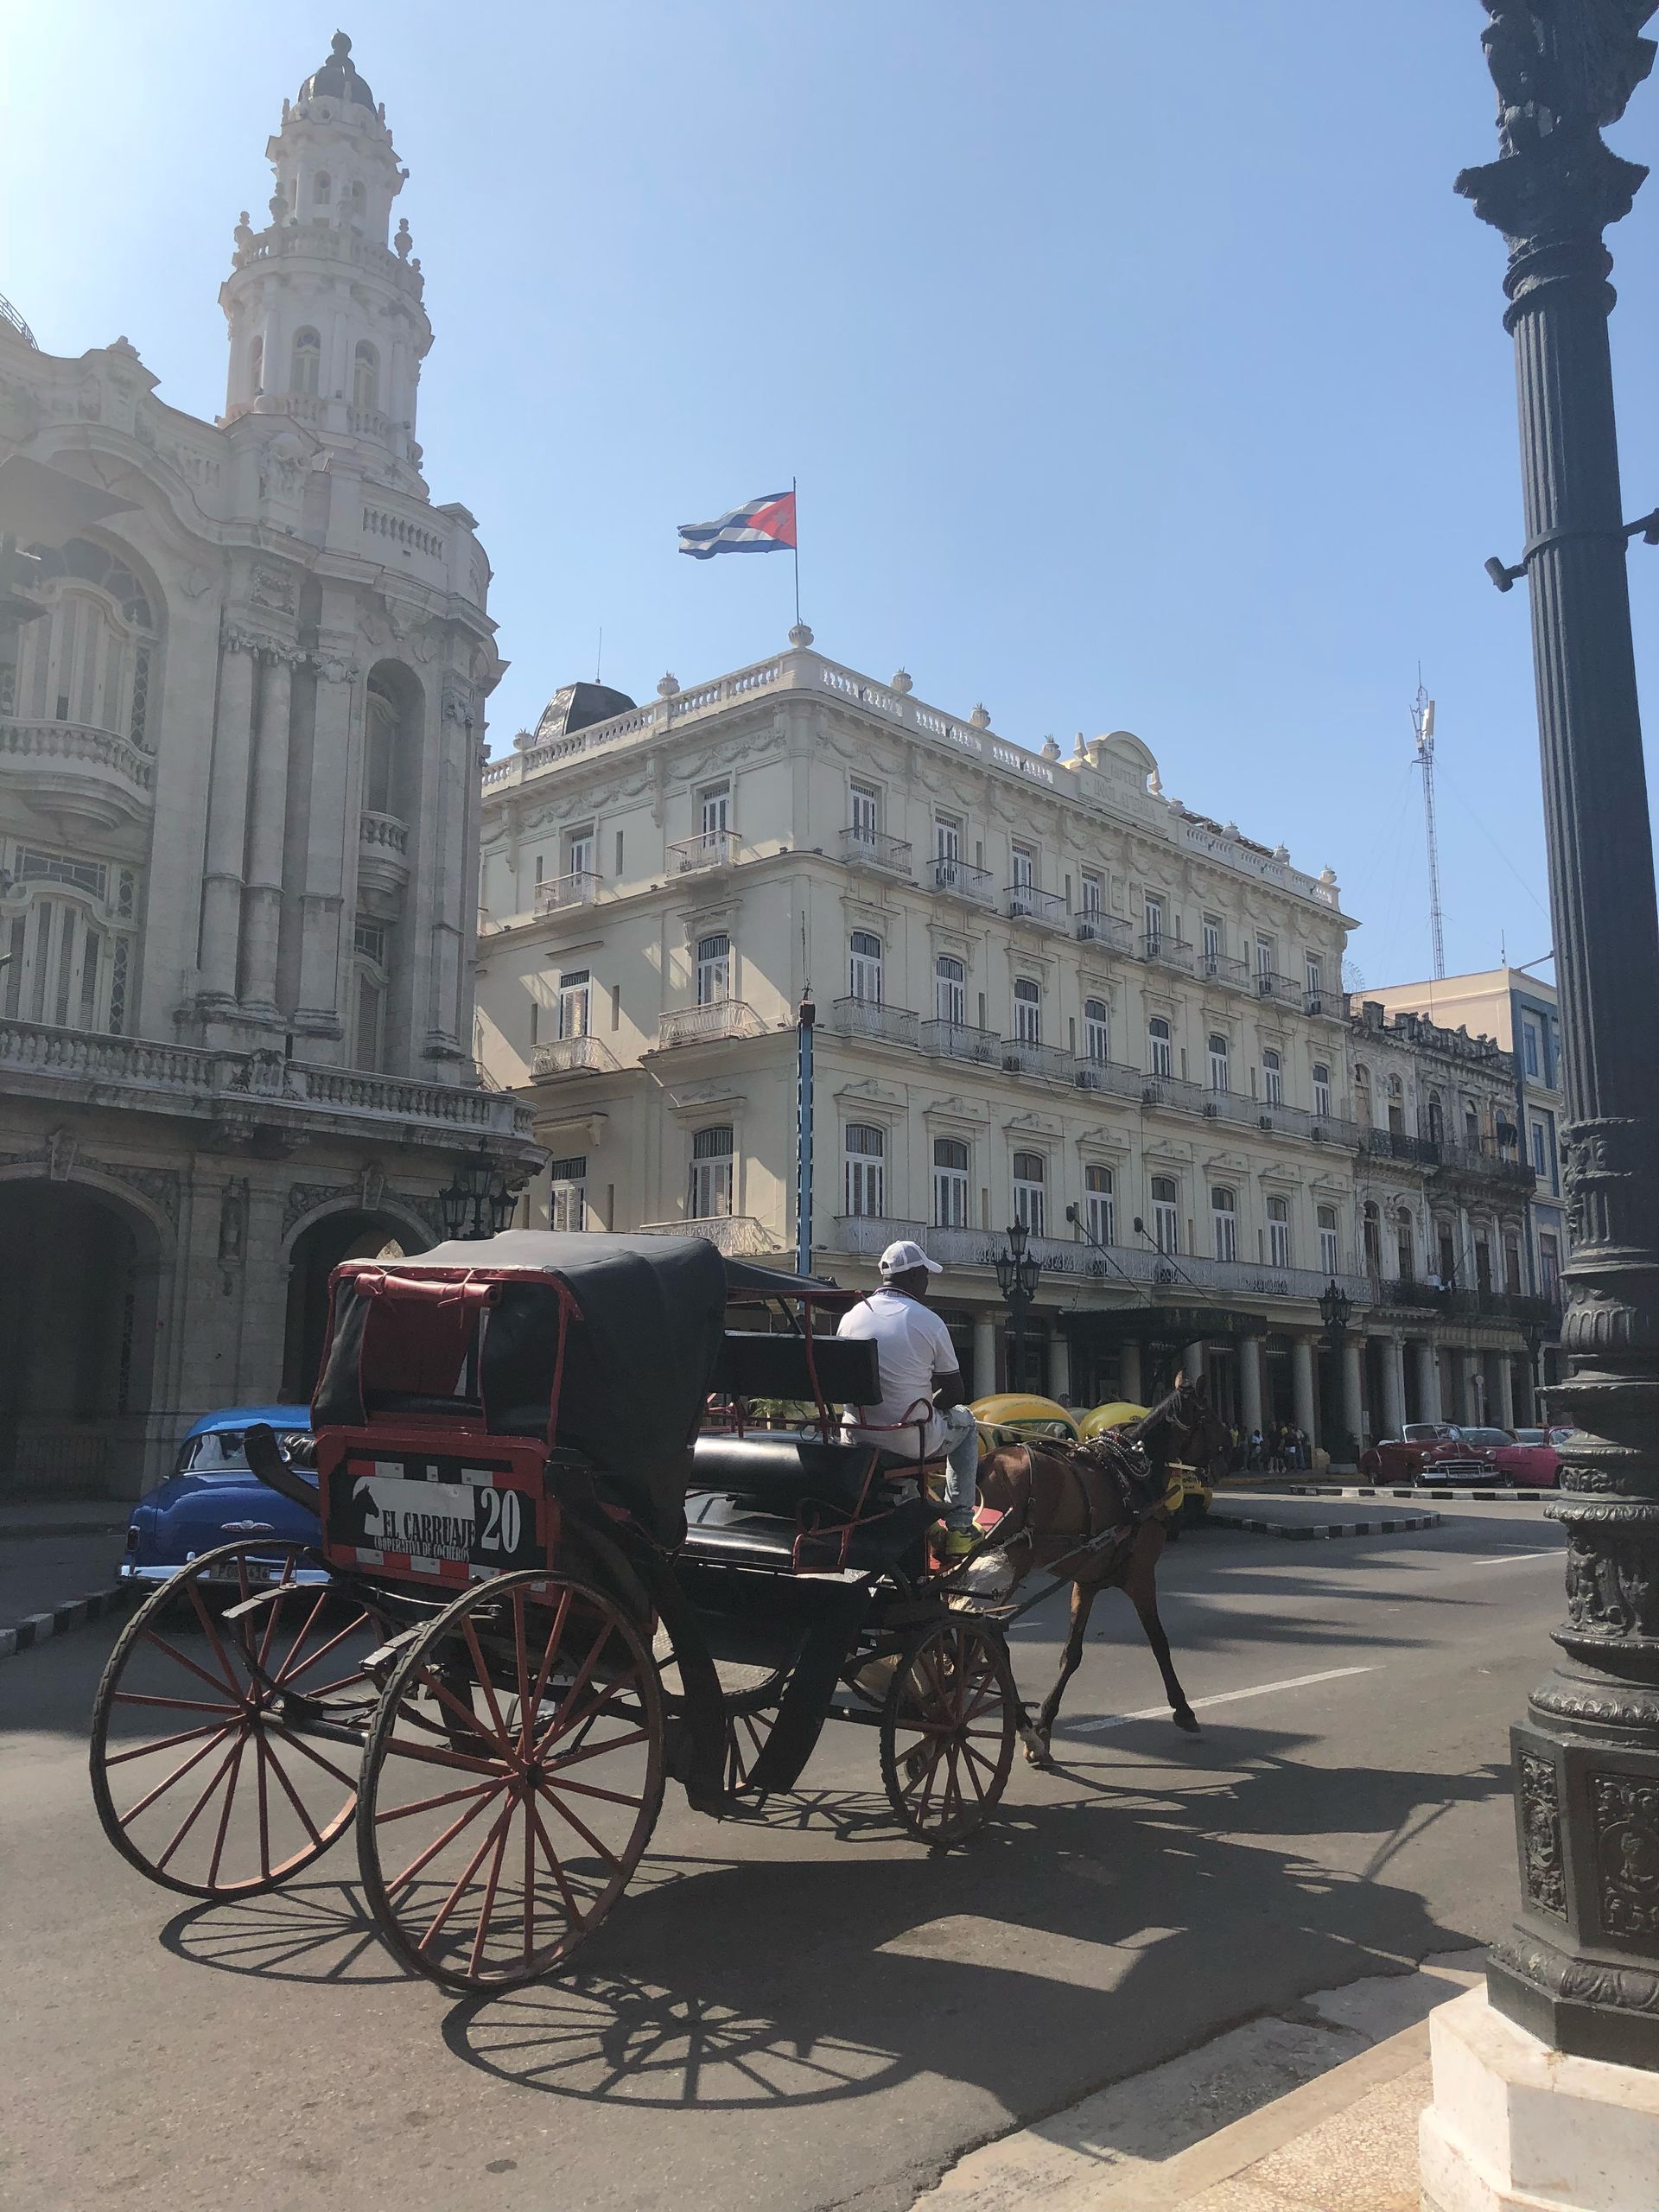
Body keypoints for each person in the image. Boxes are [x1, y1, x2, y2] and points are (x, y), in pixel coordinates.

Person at [836, 1238, 982, 1560]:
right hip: (906, 1437)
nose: (927, 1283)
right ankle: (959, 1526)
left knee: (917, 1429)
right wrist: (927, 1405)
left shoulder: (851, 1317)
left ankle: (922, 1519)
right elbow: (956, 1393)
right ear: (915, 1276)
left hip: (856, 1435)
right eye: (926, 1276)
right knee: (967, 1424)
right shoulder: (928, 1320)